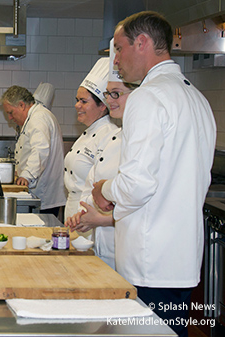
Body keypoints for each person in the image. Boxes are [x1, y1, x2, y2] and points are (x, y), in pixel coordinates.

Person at [91, 12, 216, 337]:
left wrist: (104, 189)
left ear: (142, 43)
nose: (116, 61)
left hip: (148, 261)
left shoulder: (147, 96)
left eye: (119, 49)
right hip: (181, 260)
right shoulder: (196, 97)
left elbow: (136, 185)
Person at [65, 41, 139, 269]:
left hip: (110, 237)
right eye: (109, 94)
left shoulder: (117, 136)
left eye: (116, 94)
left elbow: (131, 194)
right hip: (86, 225)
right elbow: (92, 184)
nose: (77, 105)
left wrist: (99, 217)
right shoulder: (106, 136)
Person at [63, 57, 119, 222]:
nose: (77, 105)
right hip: (74, 211)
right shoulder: (86, 134)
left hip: (89, 214)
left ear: (102, 106)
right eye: (77, 100)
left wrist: (84, 215)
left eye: (83, 101)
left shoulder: (110, 135)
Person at [0, 85, 66, 216]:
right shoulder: (34, 117)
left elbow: (40, 149)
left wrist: (27, 175)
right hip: (39, 193)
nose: (10, 118)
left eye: (11, 112)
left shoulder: (39, 118)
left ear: (21, 105)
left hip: (43, 195)